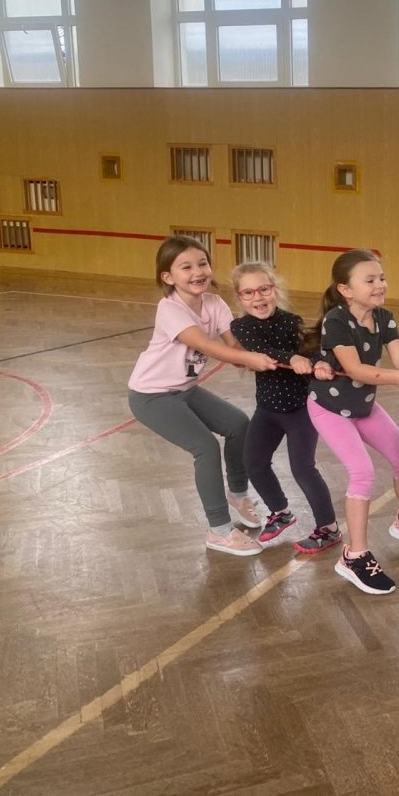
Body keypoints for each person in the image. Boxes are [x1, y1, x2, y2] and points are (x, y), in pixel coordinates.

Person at [307, 249, 399, 594]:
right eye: (369, 280)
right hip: (330, 409)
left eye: (381, 278)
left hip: (363, 407)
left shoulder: (384, 317)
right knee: (363, 472)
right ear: (345, 289)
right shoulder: (336, 321)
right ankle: (354, 556)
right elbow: (356, 370)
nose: (380, 284)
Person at [127, 236, 276, 557]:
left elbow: (234, 347)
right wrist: (250, 359)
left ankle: (238, 494)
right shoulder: (169, 309)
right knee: (205, 448)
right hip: (151, 396)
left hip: (185, 389)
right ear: (168, 277)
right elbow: (206, 345)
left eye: (202, 264)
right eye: (186, 267)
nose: (197, 272)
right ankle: (219, 530)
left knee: (238, 424)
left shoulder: (214, 303)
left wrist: (269, 351)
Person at [228, 262, 341, 553]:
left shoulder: (291, 321)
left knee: (303, 469)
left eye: (264, 289)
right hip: (267, 410)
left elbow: (310, 352)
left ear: (274, 289)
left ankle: (329, 529)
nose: (258, 297)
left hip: (301, 409)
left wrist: (317, 362)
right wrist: (292, 358)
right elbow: (262, 351)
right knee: (254, 463)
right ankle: (280, 512)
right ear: (240, 297)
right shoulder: (241, 327)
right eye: (249, 292)